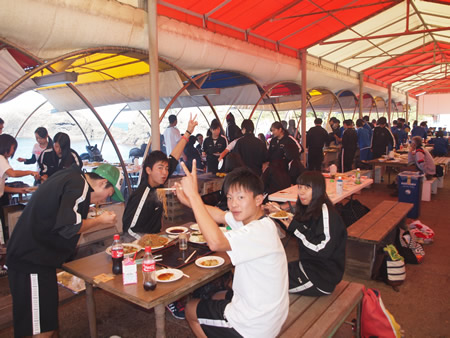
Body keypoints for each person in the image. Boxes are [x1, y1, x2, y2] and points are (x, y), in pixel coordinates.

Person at [6, 163, 123, 337]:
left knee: (41, 322)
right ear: (102, 183)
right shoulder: (80, 186)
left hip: (34, 259)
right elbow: (69, 227)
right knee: (41, 328)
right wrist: (100, 221)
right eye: (108, 194)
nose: (104, 200)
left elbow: (59, 212)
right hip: (32, 261)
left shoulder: (72, 177)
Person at [175, 163, 289, 337]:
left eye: (241, 197)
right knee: (217, 296)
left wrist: (194, 195)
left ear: (258, 200)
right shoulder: (257, 221)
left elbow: (215, 243)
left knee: (191, 309)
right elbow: (219, 215)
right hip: (271, 314)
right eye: (230, 198)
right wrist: (190, 201)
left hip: (255, 324)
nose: (233, 204)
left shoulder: (258, 231)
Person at [123, 115, 198, 240]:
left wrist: (188, 132)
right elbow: (128, 230)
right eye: (160, 168)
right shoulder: (141, 196)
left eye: (166, 169)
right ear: (148, 170)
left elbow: (174, 156)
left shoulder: (158, 182)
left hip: (157, 240)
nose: (165, 173)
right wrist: (151, 243)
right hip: (143, 247)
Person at [277, 171, 347, 296]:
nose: (301, 192)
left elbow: (322, 249)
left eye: (307, 188)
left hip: (320, 279)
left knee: (268, 283)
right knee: (271, 271)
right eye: (299, 187)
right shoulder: (310, 207)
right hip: (308, 266)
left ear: (318, 189)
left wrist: (295, 228)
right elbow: (301, 230)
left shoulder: (326, 213)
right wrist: (278, 213)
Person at [0, 134, 40, 237]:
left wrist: (20, 191)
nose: (13, 151)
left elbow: (2, 187)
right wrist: (30, 172)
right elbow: (13, 174)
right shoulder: (1, 159)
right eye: (13, 148)